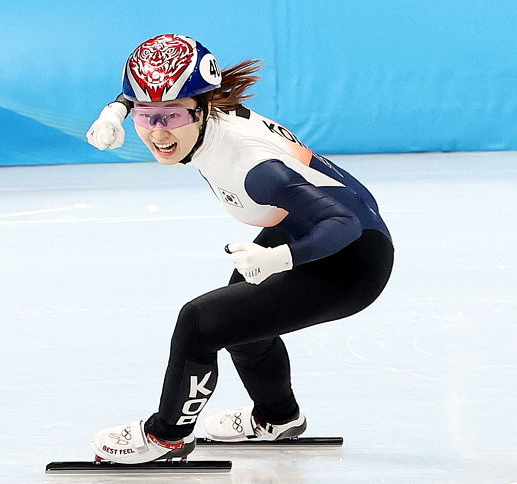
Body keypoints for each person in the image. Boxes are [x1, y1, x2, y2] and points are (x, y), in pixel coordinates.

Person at [85, 34, 394, 464]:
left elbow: (342, 224)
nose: (158, 131)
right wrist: (114, 113)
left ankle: (166, 437)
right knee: (242, 326)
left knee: (201, 323)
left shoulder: (254, 167)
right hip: (300, 224)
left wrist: (276, 259)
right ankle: (278, 418)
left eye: (171, 116)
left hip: (349, 257)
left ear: (203, 107)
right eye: (146, 116)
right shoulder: (203, 106)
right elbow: (143, 92)